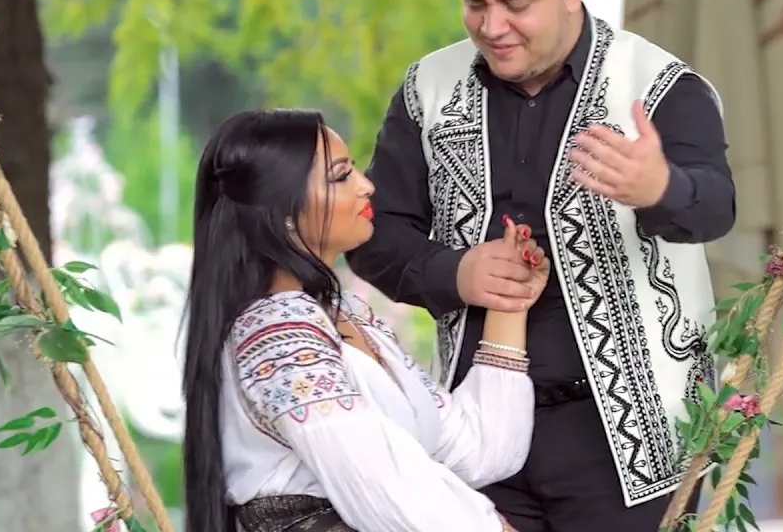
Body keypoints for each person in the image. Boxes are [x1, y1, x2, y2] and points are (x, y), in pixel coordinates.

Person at [345, 0, 737, 531]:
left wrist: (659, 187)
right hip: (476, 434)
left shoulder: (660, 85)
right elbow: (373, 233)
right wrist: (454, 272)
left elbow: (716, 207)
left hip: (632, 448)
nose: (491, 26)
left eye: (515, 4)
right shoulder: (427, 89)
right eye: (475, 3)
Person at [180, 108, 552, 532]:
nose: (367, 186)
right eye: (341, 177)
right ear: (282, 209)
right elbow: (381, 487)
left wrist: (509, 299)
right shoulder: (278, 334)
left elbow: (480, 449)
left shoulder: (346, 317)